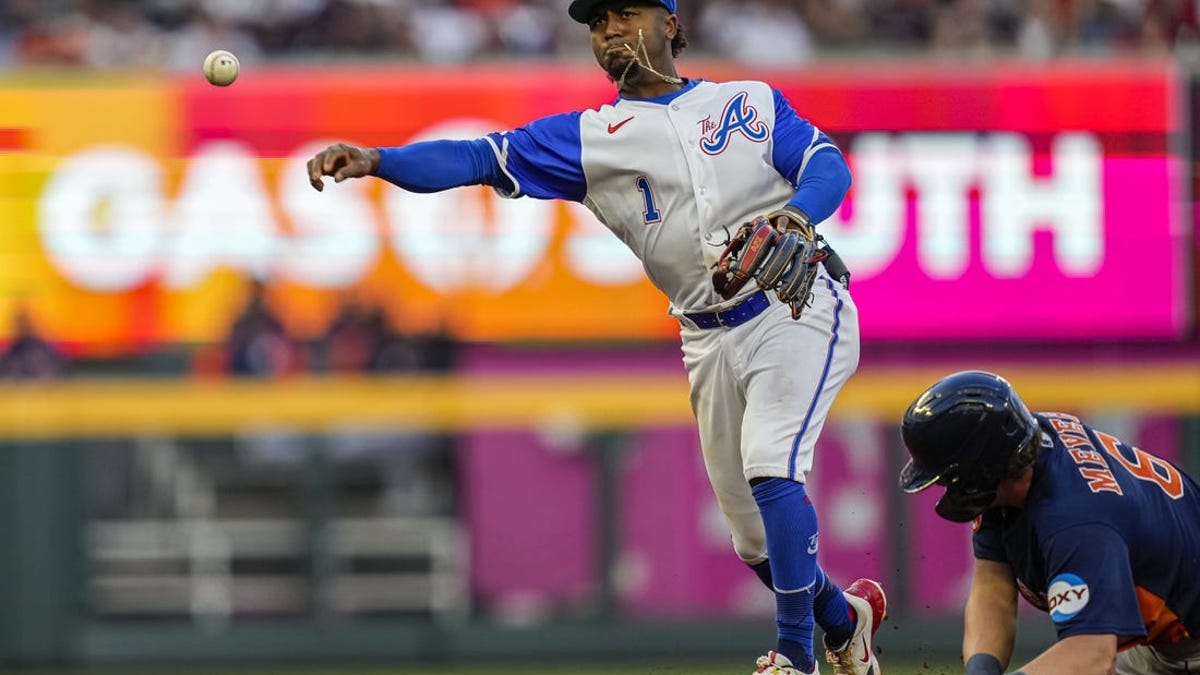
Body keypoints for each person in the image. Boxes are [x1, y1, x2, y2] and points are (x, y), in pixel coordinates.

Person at [305, 2, 885, 673]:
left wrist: (795, 215)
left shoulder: (746, 100)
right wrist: (378, 159)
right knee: (755, 543)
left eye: (627, 12)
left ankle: (795, 657)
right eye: (597, 20)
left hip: (796, 302)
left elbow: (826, 165)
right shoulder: (588, 138)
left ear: (670, 24)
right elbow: (475, 156)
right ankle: (846, 619)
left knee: (772, 468)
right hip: (706, 333)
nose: (610, 28)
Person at [898, 370, 1200, 675]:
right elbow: (993, 586)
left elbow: (1092, 656)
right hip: (1165, 642)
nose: (946, 487)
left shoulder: (1076, 520)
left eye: (948, 476)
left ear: (979, 471)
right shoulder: (1013, 455)